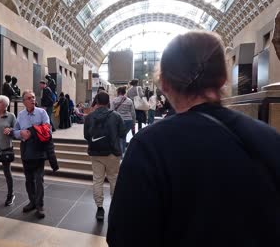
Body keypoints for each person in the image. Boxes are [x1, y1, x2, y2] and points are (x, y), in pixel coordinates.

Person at [107, 31, 280, 246]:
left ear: (164, 84)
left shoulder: (149, 147)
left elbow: (124, 235)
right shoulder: (270, 139)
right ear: (223, 78)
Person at [84, 91, 126, 222]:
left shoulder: (89, 117)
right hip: (113, 153)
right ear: (108, 102)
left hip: (96, 153)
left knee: (98, 180)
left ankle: (100, 208)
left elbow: (86, 136)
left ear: (96, 101)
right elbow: (122, 133)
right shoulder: (116, 116)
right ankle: (115, 206)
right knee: (113, 179)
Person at [13, 90, 50, 219]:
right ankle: (32, 202)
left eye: (33, 97)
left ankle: (40, 205)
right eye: (29, 98)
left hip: (39, 148)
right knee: (29, 179)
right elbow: (15, 130)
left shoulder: (42, 112)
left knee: (39, 179)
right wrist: (21, 134)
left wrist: (32, 132)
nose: (32, 100)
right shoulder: (21, 114)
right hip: (26, 148)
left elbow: (48, 128)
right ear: (24, 102)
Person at [111, 86, 135, 158]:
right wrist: (133, 122)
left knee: (119, 137)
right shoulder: (130, 101)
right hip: (128, 121)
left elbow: (112, 111)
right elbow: (133, 113)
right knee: (123, 136)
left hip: (118, 120)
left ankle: (120, 154)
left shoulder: (114, 100)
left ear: (118, 92)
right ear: (124, 92)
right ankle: (123, 152)